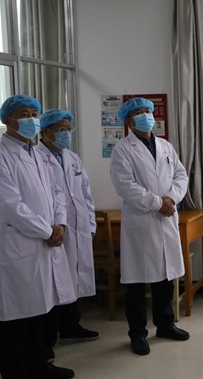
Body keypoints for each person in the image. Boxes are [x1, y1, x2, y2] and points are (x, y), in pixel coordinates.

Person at [0, 95, 76, 378]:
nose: (31, 119)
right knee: (17, 316)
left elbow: (57, 192)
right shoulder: (2, 153)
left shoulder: (38, 153)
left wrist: (60, 223)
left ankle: (41, 364)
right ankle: (16, 372)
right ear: (7, 119)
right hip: (19, 243)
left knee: (42, 310)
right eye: (24, 114)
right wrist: (47, 231)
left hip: (46, 242)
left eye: (34, 113)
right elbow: (9, 204)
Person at [109, 97, 190, 355]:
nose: (146, 115)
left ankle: (165, 324)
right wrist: (158, 203)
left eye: (148, 111)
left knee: (165, 277)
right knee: (136, 282)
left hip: (166, 218)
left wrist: (172, 199)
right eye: (139, 112)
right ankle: (137, 333)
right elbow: (125, 186)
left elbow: (181, 175)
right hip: (142, 222)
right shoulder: (122, 149)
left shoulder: (165, 146)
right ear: (129, 120)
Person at [37, 109, 99, 343]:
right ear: (45, 131)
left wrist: (90, 224)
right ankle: (50, 334)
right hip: (54, 228)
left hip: (78, 226)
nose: (65, 133)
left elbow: (85, 194)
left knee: (74, 277)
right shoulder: (37, 157)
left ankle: (71, 326)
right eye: (60, 129)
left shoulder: (73, 158)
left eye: (68, 129)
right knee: (56, 280)